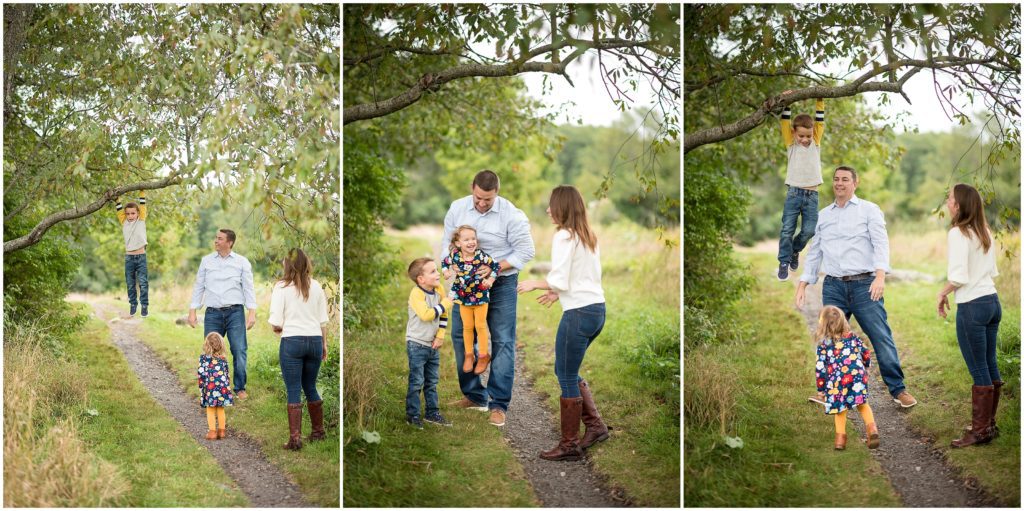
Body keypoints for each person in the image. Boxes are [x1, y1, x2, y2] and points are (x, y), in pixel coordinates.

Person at [796, 166, 918, 409]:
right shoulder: (824, 216)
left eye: (845, 179)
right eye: (836, 179)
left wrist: (880, 276)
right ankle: (828, 391)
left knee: (880, 336)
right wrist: (802, 284)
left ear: (855, 183)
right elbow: (815, 252)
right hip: (833, 286)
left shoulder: (869, 210)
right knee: (830, 340)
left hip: (865, 286)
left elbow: (881, 244)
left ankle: (899, 389)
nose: (839, 183)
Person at [518, 185, 610, 461]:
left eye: (552, 205)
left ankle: (569, 445)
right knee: (566, 369)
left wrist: (536, 283)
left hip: (579, 313)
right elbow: (579, 276)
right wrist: (557, 291)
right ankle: (595, 427)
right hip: (596, 310)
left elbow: (560, 277)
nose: (548, 210)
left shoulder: (563, 236)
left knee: (566, 374)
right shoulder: (586, 235)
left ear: (563, 207)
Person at [441, 170, 535, 427]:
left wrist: (496, 267)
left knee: (502, 339)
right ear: (472, 188)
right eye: (479, 198)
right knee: (461, 335)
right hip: (465, 285)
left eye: (488, 200)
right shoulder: (457, 209)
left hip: (502, 283)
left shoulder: (512, 215)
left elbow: (526, 251)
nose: (482, 204)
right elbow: (445, 246)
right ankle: (474, 395)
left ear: (497, 193)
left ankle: (498, 403)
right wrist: (449, 269)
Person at [937, 184, 1002, 448]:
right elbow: (991, 271)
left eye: (950, 198)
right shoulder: (984, 230)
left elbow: (959, 277)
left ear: (959, 205)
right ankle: (989, 425)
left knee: (979, 370)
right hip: (992, 302)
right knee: (989, 364)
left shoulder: (958, 232)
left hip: (973, 306)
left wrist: (942, 293)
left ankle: (980, 431)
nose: (948, 201)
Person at [268, 248, 331, 450]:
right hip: (314, 340)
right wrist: (324, 344)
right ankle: (318, 432)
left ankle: (295, 440)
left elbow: (276, 322)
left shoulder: (281, 287)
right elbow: (323, 321)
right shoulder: (317, 286)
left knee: (294, 389)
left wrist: (279, 329)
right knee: (310, 386)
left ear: (288, 265)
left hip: (292, 342)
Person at [188, 229, 257, 400]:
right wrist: (192, 311)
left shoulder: (242, 262)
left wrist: (252, 313)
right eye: (216, 238)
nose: (216, 241)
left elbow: (249, 288)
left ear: (230, 242)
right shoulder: (206, 261)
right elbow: (199, 286)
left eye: (220, 239)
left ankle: (240, 388)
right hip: (213, 314)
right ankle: (212, 388)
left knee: (239, 350)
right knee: (211, 351)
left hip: (235, 313)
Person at [815, 306, 879, 451]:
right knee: (862, 404)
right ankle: (872, 429)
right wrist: (866, 366)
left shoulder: (824, 345)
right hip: (857, 375)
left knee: (840, 410)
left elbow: (820, 368)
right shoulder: (852, 337)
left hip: (836, 380)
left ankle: (840, 440)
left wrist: (821, 389)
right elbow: (866, 352)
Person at [776, 95, 825, 281]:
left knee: (809, 231)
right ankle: (783, 261)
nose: (805, 139)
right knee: (787, 229)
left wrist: (820, 99)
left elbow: (820, 120)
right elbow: (785, 120)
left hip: (812, 194)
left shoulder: (816, 141)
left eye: (808, 136)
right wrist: (787, 101)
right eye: (801, 136)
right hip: (794, 193)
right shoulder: (791, 144)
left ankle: (795, 250)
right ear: (794, 133)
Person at [442, 225, 500, 375]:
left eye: (473, 238)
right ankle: (469, 355)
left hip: (480, 296)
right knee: (467, 327)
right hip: (463, 297)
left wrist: (491, 280)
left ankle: (483, 355)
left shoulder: (481, 256)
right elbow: (444, 262)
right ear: (458, 243)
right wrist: (446, 271)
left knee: (480, 325)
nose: (471, 242)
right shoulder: (455, 256)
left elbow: (496, 266)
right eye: (466, 239)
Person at [405, 257, 454, 429]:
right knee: (417, 381)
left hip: (432, 343)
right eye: (433, 271)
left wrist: (440, 335)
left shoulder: (439, 289)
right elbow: (426, 315)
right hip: (417, 343)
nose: (438, 273)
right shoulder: (416, 294)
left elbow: (443, 315)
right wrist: (445, 304)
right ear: (421, 279)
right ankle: (413, 415)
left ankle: (432, 413)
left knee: (432, 381)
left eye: (437, 269)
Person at [116, 190, 150, 317]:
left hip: (141, 257)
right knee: (130, 284)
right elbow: (119, 210)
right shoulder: (124, 222)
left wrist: (142, 191)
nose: (130, 216)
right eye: (128, 214)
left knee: (143, 283)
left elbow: (142, 205)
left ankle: (145, 305)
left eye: (133, 213)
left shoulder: (141, 220)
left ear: (138, 214)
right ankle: (133, 304)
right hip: (129, 258)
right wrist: (117, 199)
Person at [198, 332, 234, 441]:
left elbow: (201, 374)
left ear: (207, 345)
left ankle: (212, 432)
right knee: (220, 409)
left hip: (210, 388)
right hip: (223, 388)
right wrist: (227, 387)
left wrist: (201, 389)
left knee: (210, 409)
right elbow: (227, 375)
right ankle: (222, 431)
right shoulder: (223, 359)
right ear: (221, 345)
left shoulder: (204, 359)